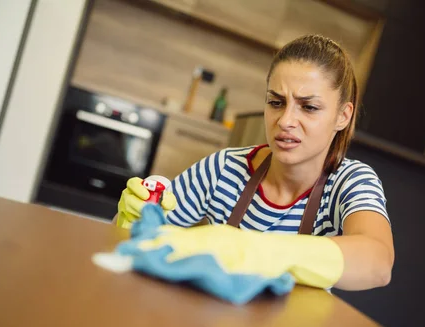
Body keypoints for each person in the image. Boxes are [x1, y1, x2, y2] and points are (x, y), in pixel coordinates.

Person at [115, 34, 394, 291]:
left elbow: (378, 263)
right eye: (276, 102)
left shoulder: (350, 181)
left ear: (343, 116)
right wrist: (132, 218)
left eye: (309, 107)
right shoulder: (225, 169)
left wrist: (252, 248)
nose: (285, 121)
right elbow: (137, 245)